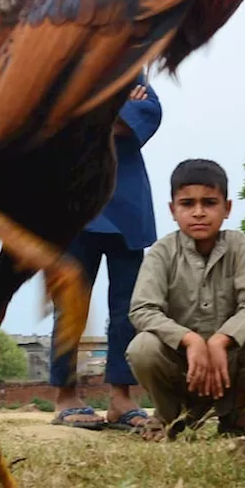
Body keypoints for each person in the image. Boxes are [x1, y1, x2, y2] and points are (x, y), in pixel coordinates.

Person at [125, 159, 245, 441]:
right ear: (172, 210)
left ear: (227, 208)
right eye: (187, 204)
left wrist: (220, 340)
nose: (199, 213)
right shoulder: (162, 252)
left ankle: (236, 413)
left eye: (210, 203)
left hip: (229, 365)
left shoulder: (238, 245)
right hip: (180, 367)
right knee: (142, 347)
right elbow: (143, 310)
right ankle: (166, 418)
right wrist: (189, 340)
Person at [51, 76, 162, 431]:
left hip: (127, 204)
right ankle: (66, 395)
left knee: (129, 307)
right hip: (75, 202)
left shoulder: (135, 70)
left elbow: (148, 113)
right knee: (71, 304)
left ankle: (121, 395)